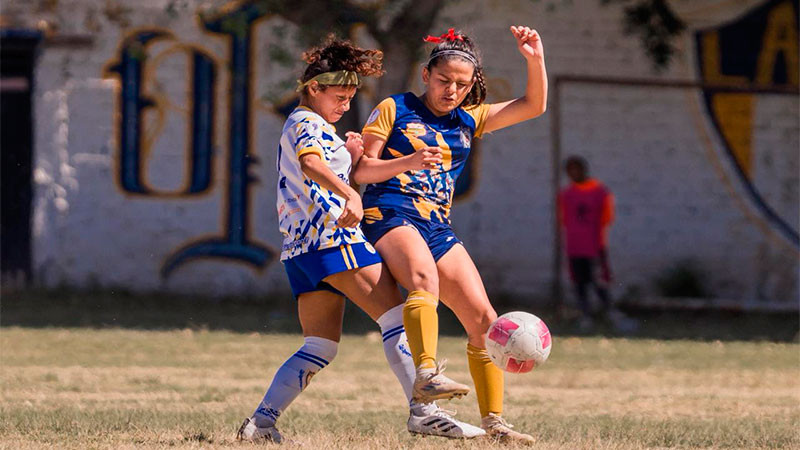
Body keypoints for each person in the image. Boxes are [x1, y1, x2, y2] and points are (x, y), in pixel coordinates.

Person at [237, 36, 484, 442]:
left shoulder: (319, 127)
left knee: (320, 346)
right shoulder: (304, 121)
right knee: (397, 317)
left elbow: (324, 165)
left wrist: (350, 156)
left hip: (301, 252)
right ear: (313, 88)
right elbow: (312, 165)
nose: (345, 106)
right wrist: (350, 191)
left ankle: (261, 423)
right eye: (338, 96)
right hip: (333, 240)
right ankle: (424, 411)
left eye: (351, 98)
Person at [351, 26, 547, 443]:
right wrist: (408, 161)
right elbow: (361, 170)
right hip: (389, 212)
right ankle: (427, 374)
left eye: (462, 84)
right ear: (426, 75)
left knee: (485, 321)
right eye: (443, 81)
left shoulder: (468, 119)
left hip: (437, 226)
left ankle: (495, 422)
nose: (452, 91)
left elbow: (533, 105)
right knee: (424, 280)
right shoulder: (394, 107)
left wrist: (534, 58)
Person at [558, 156, 620, 331]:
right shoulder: (566, 194)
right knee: (579, 284)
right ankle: (585, 316)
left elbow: (608, 217)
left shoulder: (601, 192)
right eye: (570, 170)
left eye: (576, 169)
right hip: (574, 247)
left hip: (594, 246)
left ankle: (610, 313)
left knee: (600, 282)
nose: (573, 173)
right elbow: (563, 219)